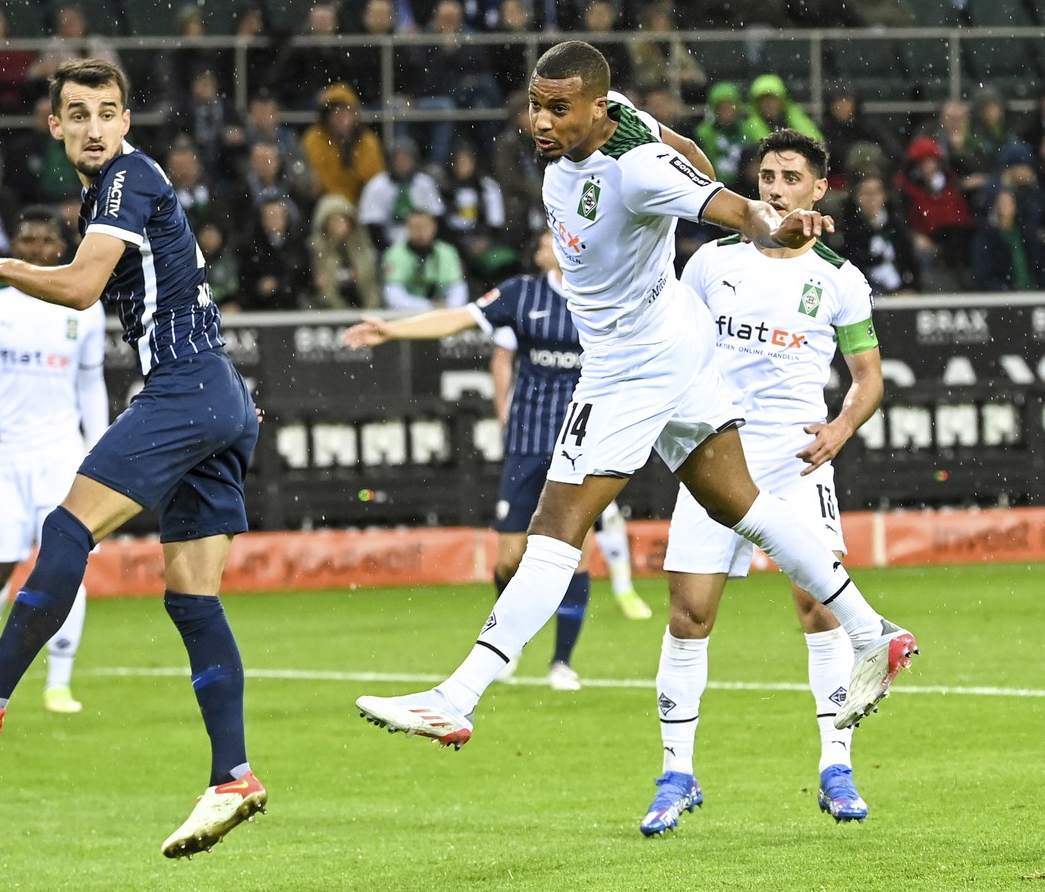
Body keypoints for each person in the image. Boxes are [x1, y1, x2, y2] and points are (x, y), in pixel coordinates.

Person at [353, 42, 916, 760]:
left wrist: (777, 223)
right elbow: (700, 169)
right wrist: (644, 119)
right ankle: (874, 631)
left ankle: (455, 697)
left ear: (594, 104)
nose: (541, 121)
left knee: (555, 526)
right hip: (678, 345)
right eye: (535, 105)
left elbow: (727, 203)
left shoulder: (636, 165)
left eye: (559, 108)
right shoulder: (622, 131)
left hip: (630, 367)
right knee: (744, 505)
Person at [0, 59, 266, 859]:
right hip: (222, 397)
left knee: (66, 528)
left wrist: (0, 268)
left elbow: (86, 286)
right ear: (54, 126)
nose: (94, 126)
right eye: (77, 114)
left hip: (188, 387)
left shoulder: (126, 176)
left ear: (127, 121)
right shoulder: (110, 189)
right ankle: (232, 776)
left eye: (107, 111)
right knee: (193, 599)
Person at [643, 130, 886, 836]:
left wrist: (840, 428)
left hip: (794, 459)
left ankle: (836, 767)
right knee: (690, 615)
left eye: (789, 177)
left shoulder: (840, 277)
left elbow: (868, 378)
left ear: (819, 190)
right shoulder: (711, 262)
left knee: (819, 609)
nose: (775, 188)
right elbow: (672, 340)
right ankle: (676, 774)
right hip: (715, 453)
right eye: (766, 175)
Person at [344, 229, 651, 691]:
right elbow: (459, 318)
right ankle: (508, 644)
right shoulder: (520, 294)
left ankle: (562, 662)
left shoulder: (608, 295)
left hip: (582, 446)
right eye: (544, 241)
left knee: (577, 553)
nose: (544, 247)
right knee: (510, 557)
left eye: (552, 241)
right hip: (528, 442)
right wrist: (392, 329)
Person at [0, 206, 107, 714]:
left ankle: (59, 682)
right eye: (26, 238)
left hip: (61, 455)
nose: (35, 248)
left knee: (66, 565)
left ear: (61, 248)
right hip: (2, 455)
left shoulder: (84, 306)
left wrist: (97, 447)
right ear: (13, 244)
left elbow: (91, 385)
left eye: (44, 240)